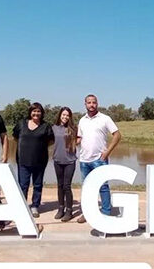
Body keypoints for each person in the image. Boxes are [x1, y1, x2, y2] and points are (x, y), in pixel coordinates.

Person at [76, 94, 121, 223]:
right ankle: (88, 213)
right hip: (84, 160)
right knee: (87, 188)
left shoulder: (105, 118)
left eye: (93, 102)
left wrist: (108, 152)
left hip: (99, 160)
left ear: (97, 103)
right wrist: (67, 142)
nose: (91, 105)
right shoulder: (82, 120)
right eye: (89, 102)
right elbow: (79, 138)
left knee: (103, 187)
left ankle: (106, 212)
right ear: (85, 104)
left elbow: (117, 135)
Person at [13, 102, 54, 218]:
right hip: (23, 161)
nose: (36, 113)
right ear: (30, 112)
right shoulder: (21, 124)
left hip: (40, 161)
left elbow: (51, 141)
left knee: (37, 185)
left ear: (42, 113)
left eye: (39, 111)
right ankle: (22, 206)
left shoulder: (46, 126)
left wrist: (39, 147)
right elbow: (15, 138)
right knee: (23, 185)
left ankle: (35, 206)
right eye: (34, 111)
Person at [51, 107, 77, 222]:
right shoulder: (53, 128)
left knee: (67, 186)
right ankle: (60, 208)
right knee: (60, 185)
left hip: (70, 161)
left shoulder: (73, 129)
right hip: (57, 160)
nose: (65, 117)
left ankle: (69, 211)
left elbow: (80, 140)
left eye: (67, 115)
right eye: (63, 115)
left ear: (70, 117)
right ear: (59, 115)